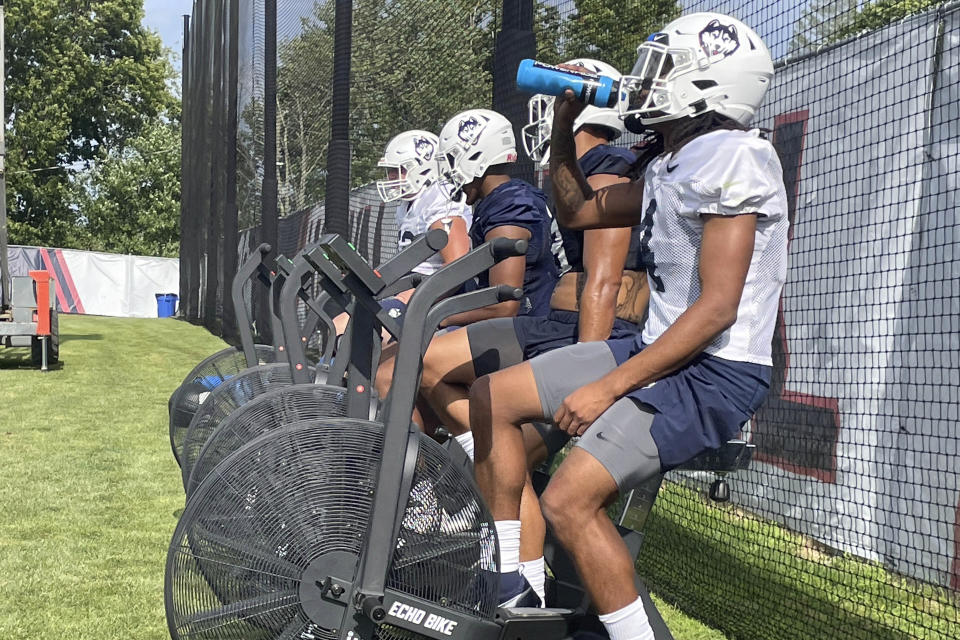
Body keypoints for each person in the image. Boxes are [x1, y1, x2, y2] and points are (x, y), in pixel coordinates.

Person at [470, 12, 788, 636]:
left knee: (568, 500)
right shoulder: (675, 160)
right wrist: (564, 124)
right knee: (491, 396)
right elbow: (578, 206)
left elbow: (718, 307)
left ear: (706, 84)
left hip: (714, 373)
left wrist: (606, 387)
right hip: (660, 349)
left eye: (663, 69)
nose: (647, 81)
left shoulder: (733, 156)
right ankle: (515, 577)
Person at [416, 59, 650, 606]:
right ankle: (523, 587)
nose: (547, 120)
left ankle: (475, 508)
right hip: (560, 324)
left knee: (433, 368)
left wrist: (587, 368)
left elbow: (602, 280)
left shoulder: (608, 167)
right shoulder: (580, 170)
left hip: (586, 331)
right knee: (506, 462)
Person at [373, 109, 558, 429]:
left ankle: (477, 455)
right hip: (523, 324)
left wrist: (435, 314)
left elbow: (505, 305)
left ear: (476, 157)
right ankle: (446, 462)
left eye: (450, 161)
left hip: (532, 330)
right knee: (409, 374)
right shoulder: (499, 200)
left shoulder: (509, 208)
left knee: (392, 370)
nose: (445, 174)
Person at [333, 130, 472, 338]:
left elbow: (458, 265)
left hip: (436, 298)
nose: (391, 177)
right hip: (415, 290)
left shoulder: (441, 198)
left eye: (399, 170)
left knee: (348, 331)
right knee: (338, 325)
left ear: (425, 168)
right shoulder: (410, 203)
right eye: (390, 171)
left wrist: (415, 298)